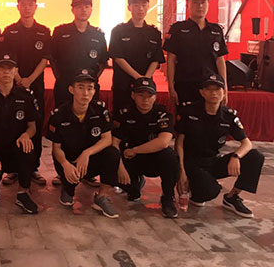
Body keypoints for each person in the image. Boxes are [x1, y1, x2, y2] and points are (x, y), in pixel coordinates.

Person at [176, 74, 264, 218]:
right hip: (192, 163)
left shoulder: (228, 115)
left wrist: (236, 156)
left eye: (217, 89)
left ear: (223, 92)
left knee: (255, 156)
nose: (214, 93)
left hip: (213, 161)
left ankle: (232, 197)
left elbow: (247, 143)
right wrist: (181, 171)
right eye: (209, 89)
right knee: (209, 192)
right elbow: (178, 143)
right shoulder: (189, 111)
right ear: (202, 92)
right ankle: (196, 189)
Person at [46, 70, 120, 219]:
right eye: (80, 87)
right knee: (67, 200)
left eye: (89, 88)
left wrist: (87, 153)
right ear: (71, 89)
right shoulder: (59, 114)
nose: (85, 93)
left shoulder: (100, 110)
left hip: (89, 160)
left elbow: (107, 139)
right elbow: (56, 149)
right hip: (69, 162)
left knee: (112, 152)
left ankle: (102, 196)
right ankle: (67, 187)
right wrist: (65, 164)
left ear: (94, 91)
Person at [0, 51, 40, 214]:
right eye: (2, 68)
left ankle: (23, 192)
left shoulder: (25, 96)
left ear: (16, 71)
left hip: (14, 150)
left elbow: (32, 127)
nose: (6, 72)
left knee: (28, 149)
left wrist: (26, 135)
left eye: (10, 68)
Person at [0, 0, 51, 186]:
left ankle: (33, 168)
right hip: (14, 85)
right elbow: (6, 59)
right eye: (23, 4)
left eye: (31, 4)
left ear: (35, 7)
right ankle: (13, 168)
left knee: (34, 124)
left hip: (35, 85)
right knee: (13, 124)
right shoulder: (10, 31)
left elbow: (45, 59)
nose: (27, 7)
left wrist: (29, 79)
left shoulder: (44, 31)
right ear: (18, 7)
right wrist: (19, 78)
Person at [113, 77, 179, 218]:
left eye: (149, 96)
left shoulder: (162, 114)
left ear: (155, 97)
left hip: (153, 159)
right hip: (131, 160)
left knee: (169, 155)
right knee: (124, 183)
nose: (145, 100)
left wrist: (135, 150)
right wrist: (120, 168)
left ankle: (168, 198)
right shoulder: (125, 114)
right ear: (133, 95)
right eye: (141, 95)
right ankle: (135, 185)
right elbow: (114, 142)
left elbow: (163, 142)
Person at [164, 0, 228, 107]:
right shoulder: (178, 29)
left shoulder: (216, 30)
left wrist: (225, 87)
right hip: (185, 85)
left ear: (208, 5)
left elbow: (220, 60)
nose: (200, 6)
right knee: (185, 117)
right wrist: (171, 87)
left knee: (210, 118)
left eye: (203, 2)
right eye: (195, 3)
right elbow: (171, 60)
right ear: (187, 4)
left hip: (211, 86)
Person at [108, 0, 164, 121]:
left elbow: (156, 59)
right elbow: (118, 57)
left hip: (145, 87)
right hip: (123, 84)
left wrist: (145, 78)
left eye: (144, 5)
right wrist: (138, 77)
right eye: (136, 5)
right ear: (129, 7)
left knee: (144, 120)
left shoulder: (154, 32)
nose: (140, 9)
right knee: (121, 121)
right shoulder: (118, 31)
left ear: (148, 6)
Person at [51, 0, 107, 107]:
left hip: (89, 87)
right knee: (63, 115)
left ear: (91, 10)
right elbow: (52, 59)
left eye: (86, 7)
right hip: (65, 85)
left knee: (91, 115)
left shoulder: (98, 34)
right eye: (79, 7)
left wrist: (92, 79)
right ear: (72, 10)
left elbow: (103, 62)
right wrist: (60, 78)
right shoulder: (60, 32)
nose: (83, 10)